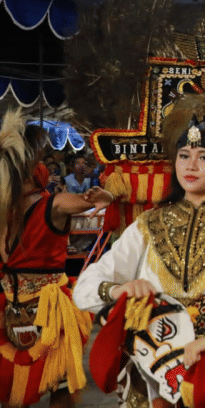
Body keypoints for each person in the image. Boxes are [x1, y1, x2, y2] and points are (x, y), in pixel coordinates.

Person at [74, 116, 205, 408]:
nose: (191, 165)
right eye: (184, 156)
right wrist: (118, 290)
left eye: (204, 157)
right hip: (153, 354)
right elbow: (88, 281)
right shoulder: (150, 221)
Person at [0, 110, 112, 408]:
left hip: (10, 311)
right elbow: (101, 203)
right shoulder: (55, 203)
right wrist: (103, 196)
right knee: (60, 388)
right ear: (32, 171)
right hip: (50, 311)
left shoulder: (3, 211)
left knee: (13, 388)